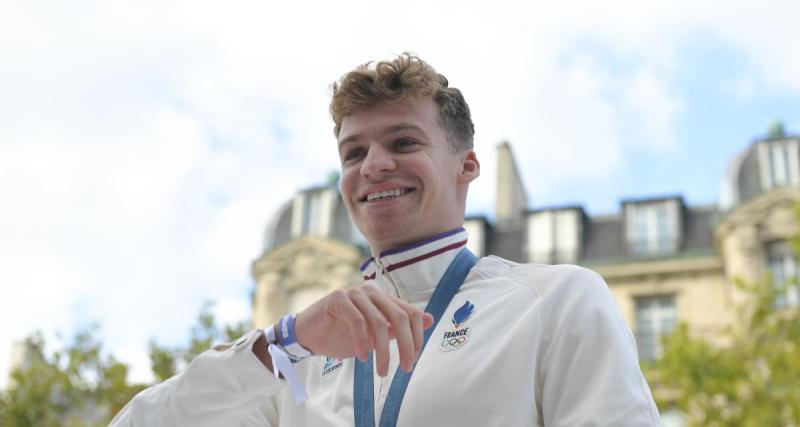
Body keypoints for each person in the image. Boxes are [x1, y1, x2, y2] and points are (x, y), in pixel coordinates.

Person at [111, 53, 662, 426]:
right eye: (354, 153)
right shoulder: (302, 355)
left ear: (466, 166)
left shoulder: (556, 301)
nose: (374, 166)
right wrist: (284, 341)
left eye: (403, 142)